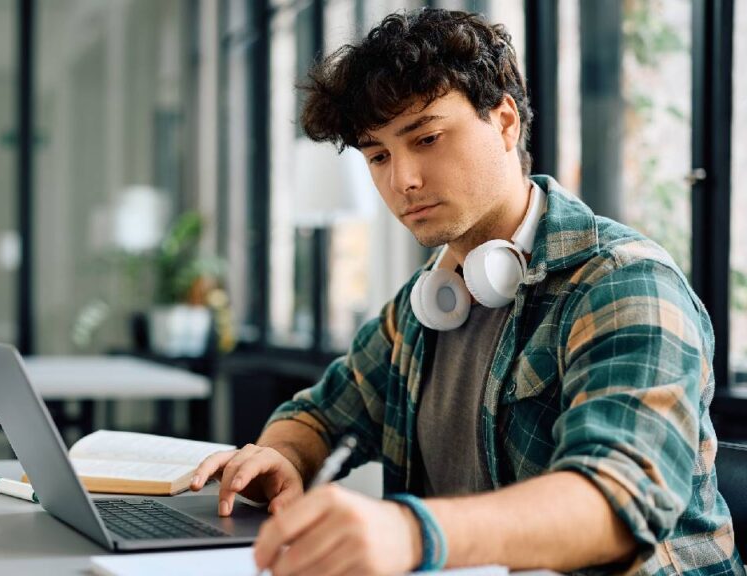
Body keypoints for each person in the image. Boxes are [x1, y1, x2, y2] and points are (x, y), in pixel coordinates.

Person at [191, 8, 741, 575]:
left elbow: (618, 500)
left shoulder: (623, 282)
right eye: (378, 155)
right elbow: (319, 414)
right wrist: (281, 456)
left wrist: (412, 533)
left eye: (426, 138)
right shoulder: (424, 303)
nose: (402, 179)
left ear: (505, 122)